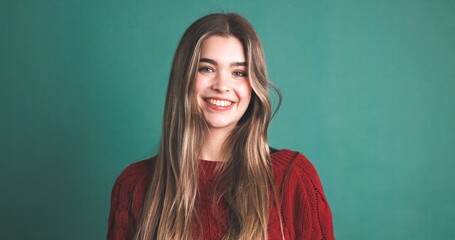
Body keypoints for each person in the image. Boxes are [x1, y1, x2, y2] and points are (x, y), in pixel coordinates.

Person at [107, 13, 334, 240]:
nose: (222, 86)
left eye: (239, 73)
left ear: (253, 85)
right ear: (183, 77)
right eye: (207, 68)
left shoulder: (292, 177)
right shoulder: (134, 185)